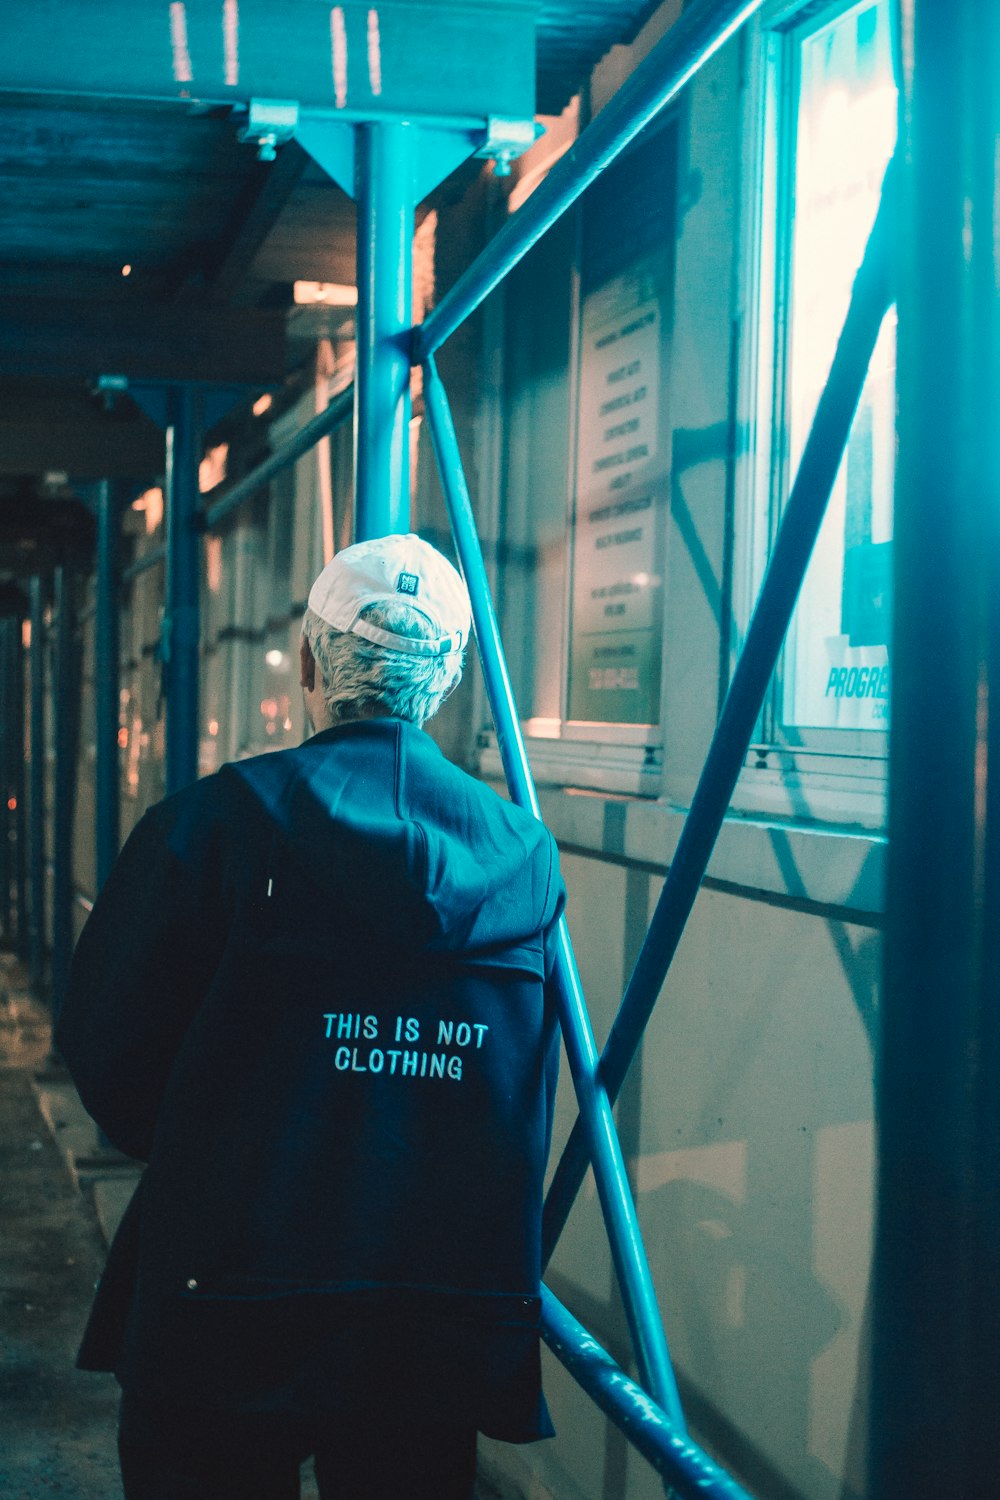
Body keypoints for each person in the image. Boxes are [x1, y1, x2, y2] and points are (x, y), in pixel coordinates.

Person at [55, 532, 565, 1500]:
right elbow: (517, 1090)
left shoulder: (210, 824)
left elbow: (110, 1052)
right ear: (448, 679)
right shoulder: (522, 857)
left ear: (303, 663)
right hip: (425, 1319)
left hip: (223, 1292)